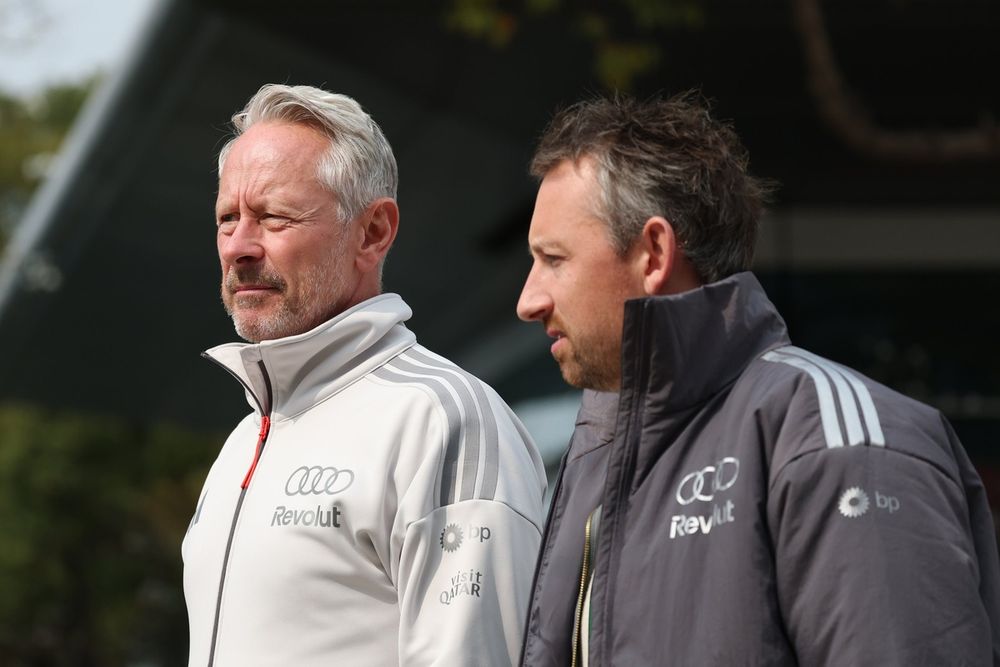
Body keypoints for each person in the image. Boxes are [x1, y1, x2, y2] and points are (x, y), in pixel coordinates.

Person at [515, 92, 1000, 666]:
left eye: (554, 258)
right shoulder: (596, 450)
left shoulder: (839, 441)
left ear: (653, 253)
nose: (529, 299)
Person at [182, 84, 546, 666]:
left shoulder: (444, 419)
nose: (240, 247)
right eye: (228, 219)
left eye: (274, 216)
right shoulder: (244, 441)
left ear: (373, 232)